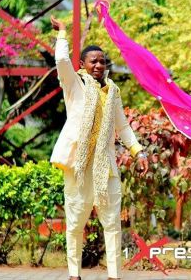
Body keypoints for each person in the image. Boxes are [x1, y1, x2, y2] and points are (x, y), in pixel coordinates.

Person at [49, 15, 149, 280]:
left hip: (106, 168)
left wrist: (138, 151)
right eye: (93, 60)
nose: (99, 64)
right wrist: (62, 33)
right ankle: (74, 275)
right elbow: (61, 61)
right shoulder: (74, 84)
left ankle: (114, 276)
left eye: (103, 61)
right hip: (78, 166)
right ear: (82, 64)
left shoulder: (113, 92)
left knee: (112, 223)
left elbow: (123, 127)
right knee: (75, 222)